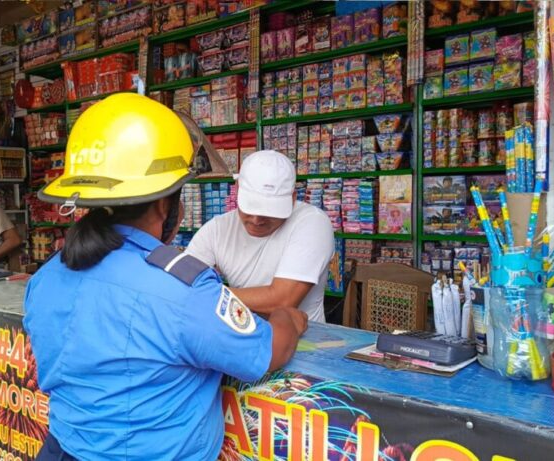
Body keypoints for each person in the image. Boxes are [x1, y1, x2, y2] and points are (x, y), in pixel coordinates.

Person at [24, 93, 307, 460]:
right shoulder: (181, 290)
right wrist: (289, 317)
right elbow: (268, 352)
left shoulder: (46, 277)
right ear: (164, 203)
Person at [185, 150, 336, 323]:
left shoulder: (313, 222)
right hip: (242, 337)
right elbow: (182, 286)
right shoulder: (217, 229)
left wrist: (208, 295)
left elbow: (282, 301)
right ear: (237, 190)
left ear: (293, 199)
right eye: (250, 208)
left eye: (269, 211)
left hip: (305, 344)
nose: (256, 220)